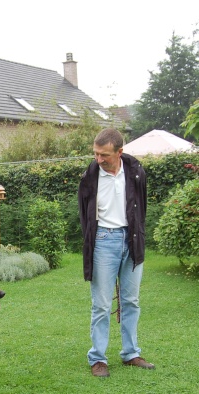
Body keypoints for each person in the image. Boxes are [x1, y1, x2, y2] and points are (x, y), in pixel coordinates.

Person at [78, 128, 154, 377]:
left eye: (104, 155)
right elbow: (84, 214)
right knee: (101, 304)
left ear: (119, 152)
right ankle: (98, 358)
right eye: (96, 154)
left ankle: (131, 353)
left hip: (131, 240)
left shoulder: (135, 172)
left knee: (131, 301)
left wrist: (137, 235)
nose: (99, 159)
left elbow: (141, 208)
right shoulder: (89, 176)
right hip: (103, 241)